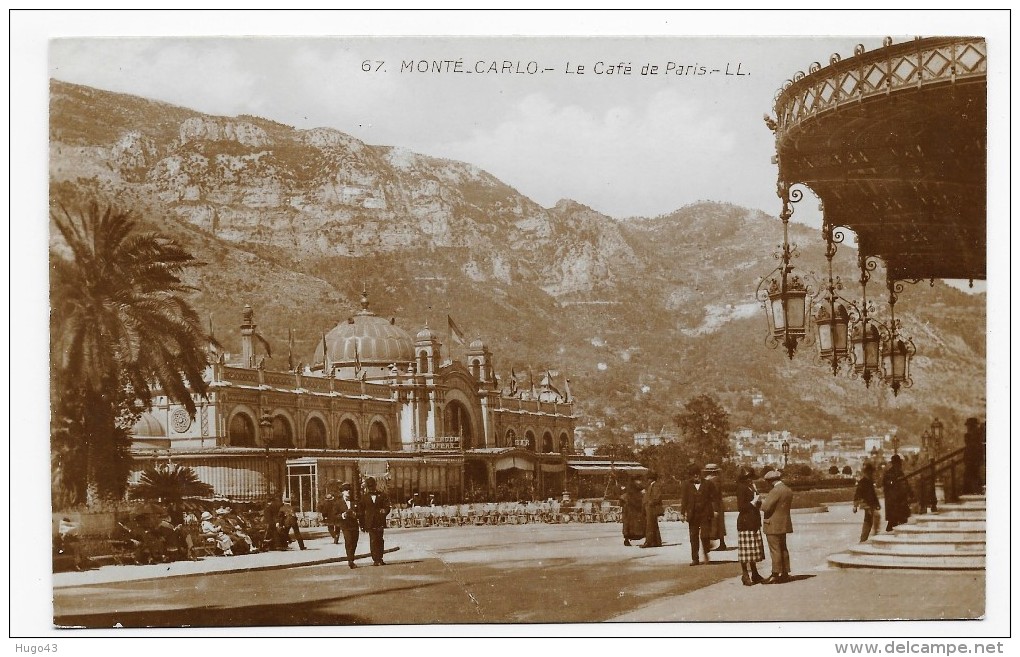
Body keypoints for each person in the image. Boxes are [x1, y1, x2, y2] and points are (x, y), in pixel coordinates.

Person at [680, 464, 719, 565]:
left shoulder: (708, 484)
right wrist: (682, 513)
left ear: (700, 474)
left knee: (705, 535)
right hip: (692, 514)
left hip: (705, 513)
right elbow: (684, 500)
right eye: (693, 474)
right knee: (693, 536)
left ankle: (706, 552)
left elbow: (715, 497)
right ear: (690, 475)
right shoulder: (686, 485)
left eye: (697, 474)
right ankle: (695, 558)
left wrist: (715, 510)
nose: (695, 476)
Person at [761, 469, 794, 584]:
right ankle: (785, 572)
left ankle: (775, 574)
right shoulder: (787, 490)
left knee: (775, 550)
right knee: (783, 548)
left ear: (770, 481)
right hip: (783, 524)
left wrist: (761, 501)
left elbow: (765, 507)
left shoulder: (775, 491)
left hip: (772, 524)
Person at [734, 466, 765, 585]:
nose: (752, 480)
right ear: (745, 478)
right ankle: (745, 574)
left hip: (753, 521)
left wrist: (757, 498)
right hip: (745, 522)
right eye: (750, 478)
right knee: (745, 551)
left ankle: (755, 573)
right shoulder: (741, 488)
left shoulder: (751, 487)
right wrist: (753, 502)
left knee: (753, 550)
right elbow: (741, 507)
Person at [358, 476, 392, 565]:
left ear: (375, 485)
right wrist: (362, 524)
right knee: (373, 540)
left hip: (379, 521)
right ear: (367, 487)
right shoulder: (364, 497)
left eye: (372, 486)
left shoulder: (382, 495)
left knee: (380, 539)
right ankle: (375, 559)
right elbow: (360, 512)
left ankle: (380, 558)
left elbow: (387, 506)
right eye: (369, 486)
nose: (371, 488)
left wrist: (385, 511)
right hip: (370, 522)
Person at [853, 462, 882, 543]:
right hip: (866, 504)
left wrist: (877, 504)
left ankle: (866, 537)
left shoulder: (869, 481)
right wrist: (855, 505)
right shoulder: (863, 481)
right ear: (868, 472)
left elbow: (873, 495)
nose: (872, 474)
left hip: (870, 504)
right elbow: (858, 494)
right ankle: (866, 538)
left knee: (871, 519)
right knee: (872, 518)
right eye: (871, 472)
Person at [703, 463, 728, 550]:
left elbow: (713, 493)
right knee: (718, 524)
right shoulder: (715, 480)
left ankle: (715, 543)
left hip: (714, 504)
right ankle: (721, 543)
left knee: (715, 524)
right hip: (716, 503)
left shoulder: (714, 480)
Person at [336, 482, 360, 569]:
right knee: (348, 541)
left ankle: (351, 558)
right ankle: (350, 560)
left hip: (354, 525)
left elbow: (360, 513)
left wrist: (356, 514)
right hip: (345, 526)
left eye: (349, 490)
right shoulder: (338, 503)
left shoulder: (355, 502)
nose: (348, 491)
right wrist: (342, 515)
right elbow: (334, 515)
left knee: (354, 542)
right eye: (346, 490)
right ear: (342, 492)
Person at [638, 470, 663, 548]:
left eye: (648, 478)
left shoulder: (655, 485)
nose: (647, 480)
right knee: (653, 525)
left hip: (651, 508)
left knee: (649, 525)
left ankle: (648, 542)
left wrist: (649, 502)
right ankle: (656, 542)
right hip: (649, 507)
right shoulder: (651, 485)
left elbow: (657, 497)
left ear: (651, 478)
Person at [619, 475, 645, 546]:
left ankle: (627, 538)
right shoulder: (635, 489)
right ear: (635, 481)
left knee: (628, 524)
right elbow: (635, 498)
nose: (640, 482)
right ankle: (630, 538)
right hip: (633, 510)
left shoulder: (630, 488)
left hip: (629, 510)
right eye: (639, 480)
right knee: (634, 524)